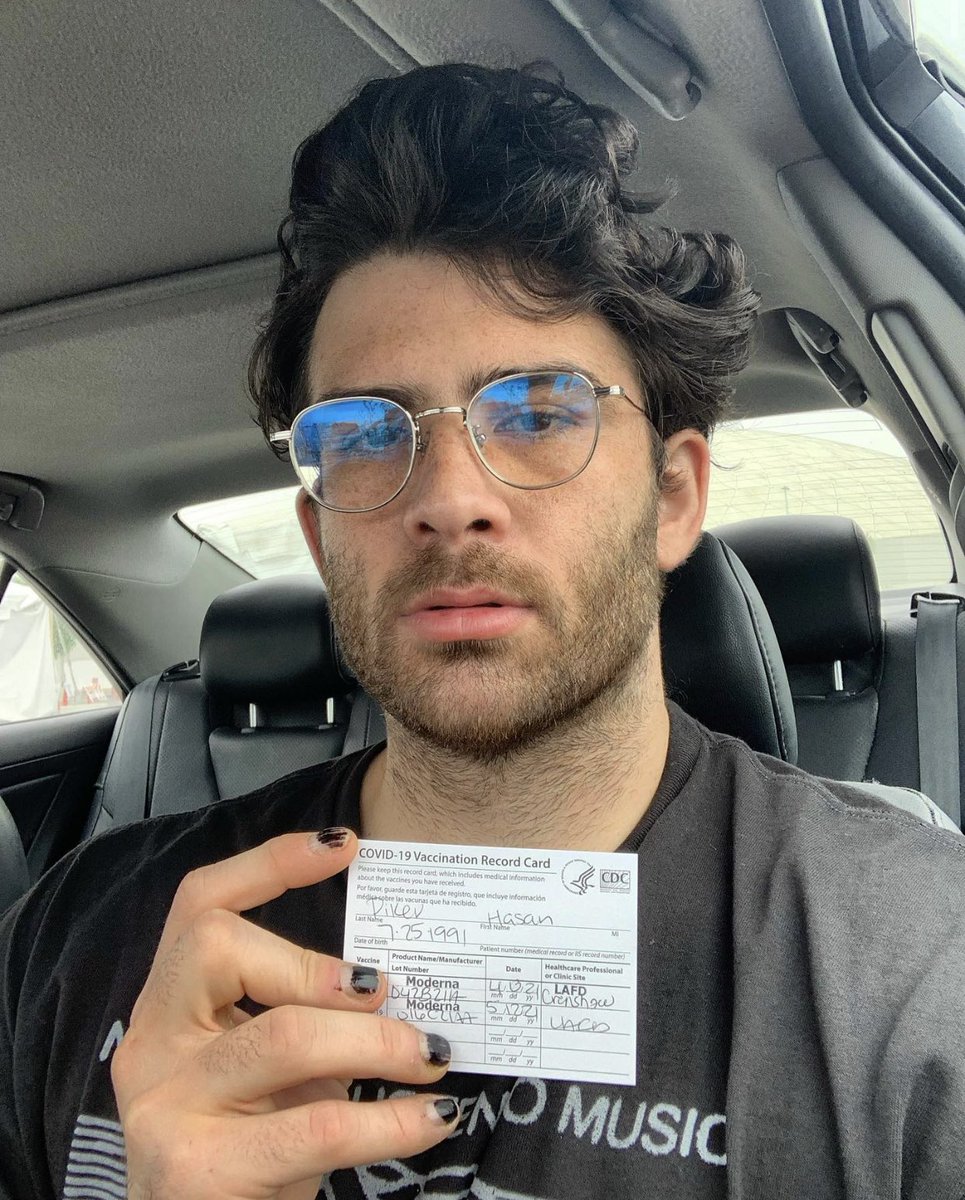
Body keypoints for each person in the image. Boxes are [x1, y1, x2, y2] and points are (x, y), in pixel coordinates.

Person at [1, 61, 964, 1200]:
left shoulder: (915, 962)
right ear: (320, 536)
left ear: (672, 498)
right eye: (367, 433)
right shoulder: (84, 930)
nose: (449, 498)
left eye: (541, 412)